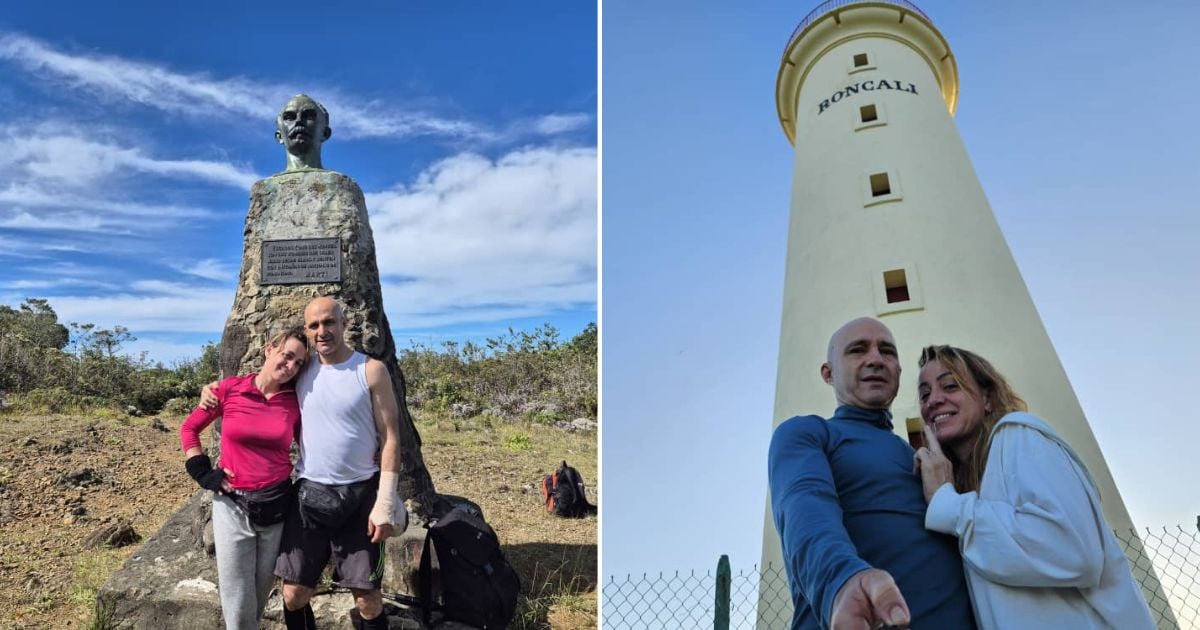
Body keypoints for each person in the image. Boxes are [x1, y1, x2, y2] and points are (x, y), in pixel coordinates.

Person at [913, 345, 1155, 629]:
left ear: (987, 397)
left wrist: (949, 505)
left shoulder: (1020, 434)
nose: (933, 401)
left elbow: (1074, 550)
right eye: (925, 394)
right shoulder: (975, 486)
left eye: (950, 386)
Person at [203, 297, 406, 630]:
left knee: (367, 598)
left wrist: (385, 500)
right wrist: (211, 391)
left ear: (344, 323)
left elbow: (391, 436)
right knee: (293, 594)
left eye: (329, 322)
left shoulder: (370, 370)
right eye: (314, 325)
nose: (321, 331)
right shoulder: (300, 370)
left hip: (360, 496)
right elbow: (256, 385)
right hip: (309, 495)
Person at [768, 317, 976, 630]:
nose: (876, 359)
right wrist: (841, 579)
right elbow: (804, 506)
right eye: (857, 350)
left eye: (887, 352)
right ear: (828, 373)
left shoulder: (930, 462)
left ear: (899, 371)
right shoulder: (807, 432)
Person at [180, 328, 309, 630]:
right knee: (237, 603)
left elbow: (310, 446)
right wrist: (201, 471)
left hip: (274, 507)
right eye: (287, 355)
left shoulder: (296, 401)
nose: (290, 366)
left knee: (259, 594)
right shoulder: (229, 389)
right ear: (269, 349)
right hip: (232, 505)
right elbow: (189, 429)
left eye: (299, 362)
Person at [275, 94, 332, 172]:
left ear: (325, 133)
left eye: (309, 117)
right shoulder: (263, 184)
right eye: (289, 118)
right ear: (279, 137)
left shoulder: (342, 183)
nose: (298, 121)